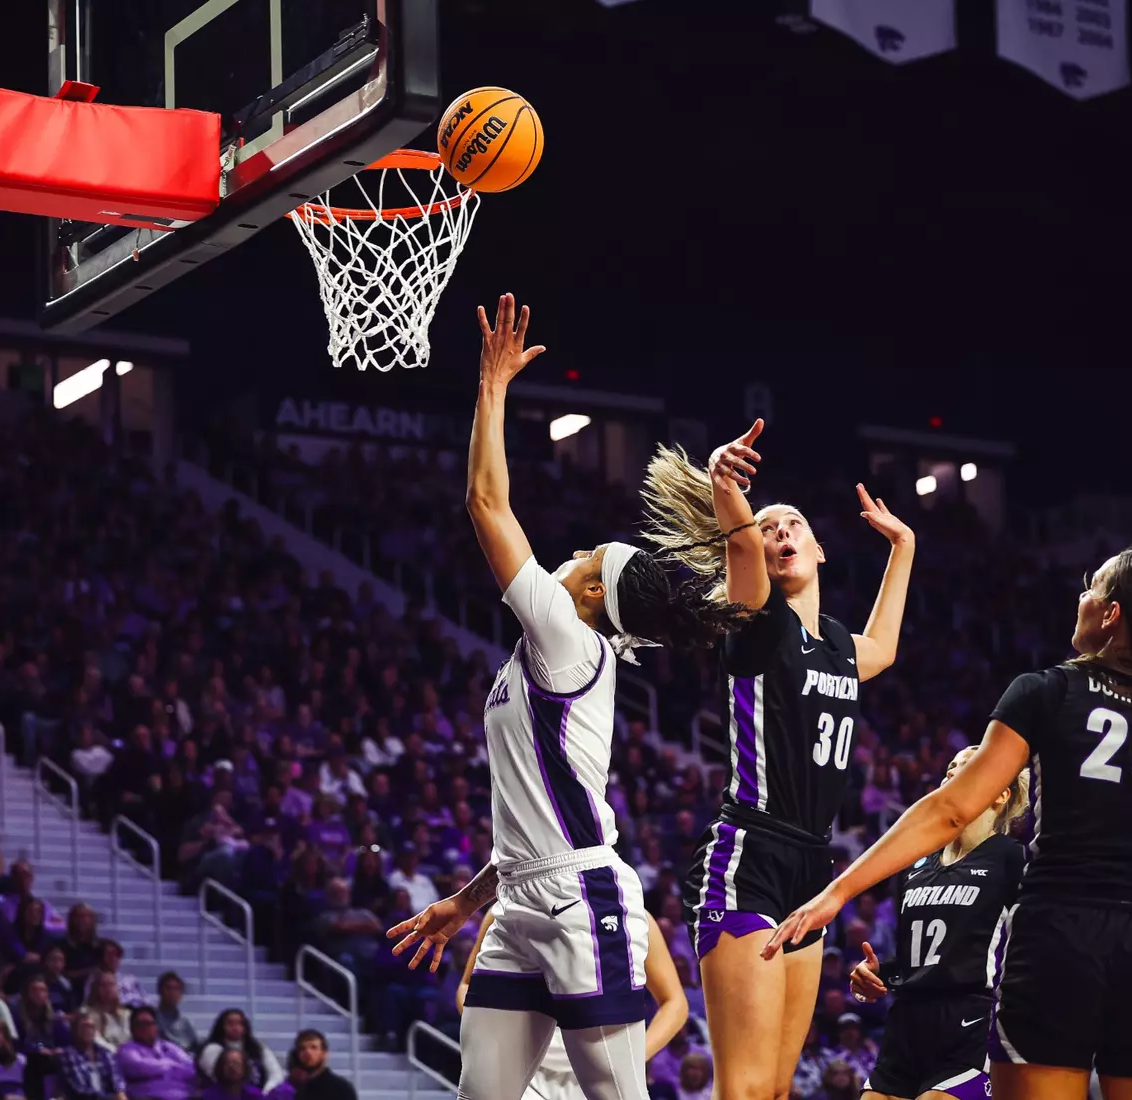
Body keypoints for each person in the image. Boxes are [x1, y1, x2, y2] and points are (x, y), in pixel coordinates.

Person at [766, 539, 1132, 1100]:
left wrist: (837, 892)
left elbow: (951, 808)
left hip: (1056, 942)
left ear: (1111, 614)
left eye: (1092, 587)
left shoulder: (1047, 691)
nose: (1081, 596)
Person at [390, 295, 750, 1100]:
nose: (572, 553)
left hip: (584, 900)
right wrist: (463, 901)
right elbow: (531, 823)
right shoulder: (553, 650)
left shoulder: (567, 637)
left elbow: (486, 504)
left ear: (589, 592)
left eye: (586, 554)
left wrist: (492, 387)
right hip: (520, 900)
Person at [639, 419, 915, 1100]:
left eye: (792, 524)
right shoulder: (756, 618)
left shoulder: (840, 650)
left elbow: (884, 645)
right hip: (750, 856)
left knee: (779, 1090)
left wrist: (904, 545)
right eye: (769, 528)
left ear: (820, 550)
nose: (780, 531)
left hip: (810, 867)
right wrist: (723, 483)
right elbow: (736, 538)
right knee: (747, 1088)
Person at [847, 747, 1029, 1100]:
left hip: (971, 1020)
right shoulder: (916, 865)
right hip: (906, 1023)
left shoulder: (1012, 858)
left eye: (967, 766)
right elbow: (925, 959)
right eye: (950, 767)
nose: (951, 773)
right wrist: (877, 975)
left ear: (1000, 794)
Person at [457, 905, 690, 1100]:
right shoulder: (506, 908)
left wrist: (635, 1055)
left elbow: (675, 1003)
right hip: (527, 1065)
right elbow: (468, 987)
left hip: (603, 1064)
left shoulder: (631, 913)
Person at [115, 1006, 195, 1100]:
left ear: (156, 1027)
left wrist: (160, 1068)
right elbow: (140, 1067)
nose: (145, 1028)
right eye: (140, 1024)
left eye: (149, 1023)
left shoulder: (168, 1046)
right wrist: (170, 1064)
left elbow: (190, 1068)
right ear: (133, 1029)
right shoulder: (127, 1049)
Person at [197, 1010, 282, 1090]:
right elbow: (218, 1078)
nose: (235, 1027)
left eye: (240, 1024)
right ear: (221, 1026)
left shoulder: (258, 1047)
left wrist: (266, 1093)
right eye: (230, 1024)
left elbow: (276, 1074)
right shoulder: (212, 1049)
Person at [58, 1014, 127, 1100]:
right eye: (83, 1027)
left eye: (91, 1027)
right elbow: (79, 1088)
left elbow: (116, 1078)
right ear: (75, 1030)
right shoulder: (68, 1055)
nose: (87, 1030)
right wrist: (108, 1098)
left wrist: (120, 1092)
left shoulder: (105, 1053)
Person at [286, 1032, 354, 1100]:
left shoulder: (340, 1088)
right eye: (302, 1048)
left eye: (313, 1047)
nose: (308, 1052)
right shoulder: (292, 1089)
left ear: (324, 1054)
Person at [81, 970, 132, 1051]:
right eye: (103, 985)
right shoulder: (87, 1013)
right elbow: (96, 1040)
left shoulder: (127, 1014)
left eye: (111, 984)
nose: (108, 989)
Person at [153, 973, 197, 1053]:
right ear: (160, 991)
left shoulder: (186, 1022)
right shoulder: (152, 1018)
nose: (172, 993)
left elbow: (194, 1046)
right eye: (168, 988)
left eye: (177, 989)